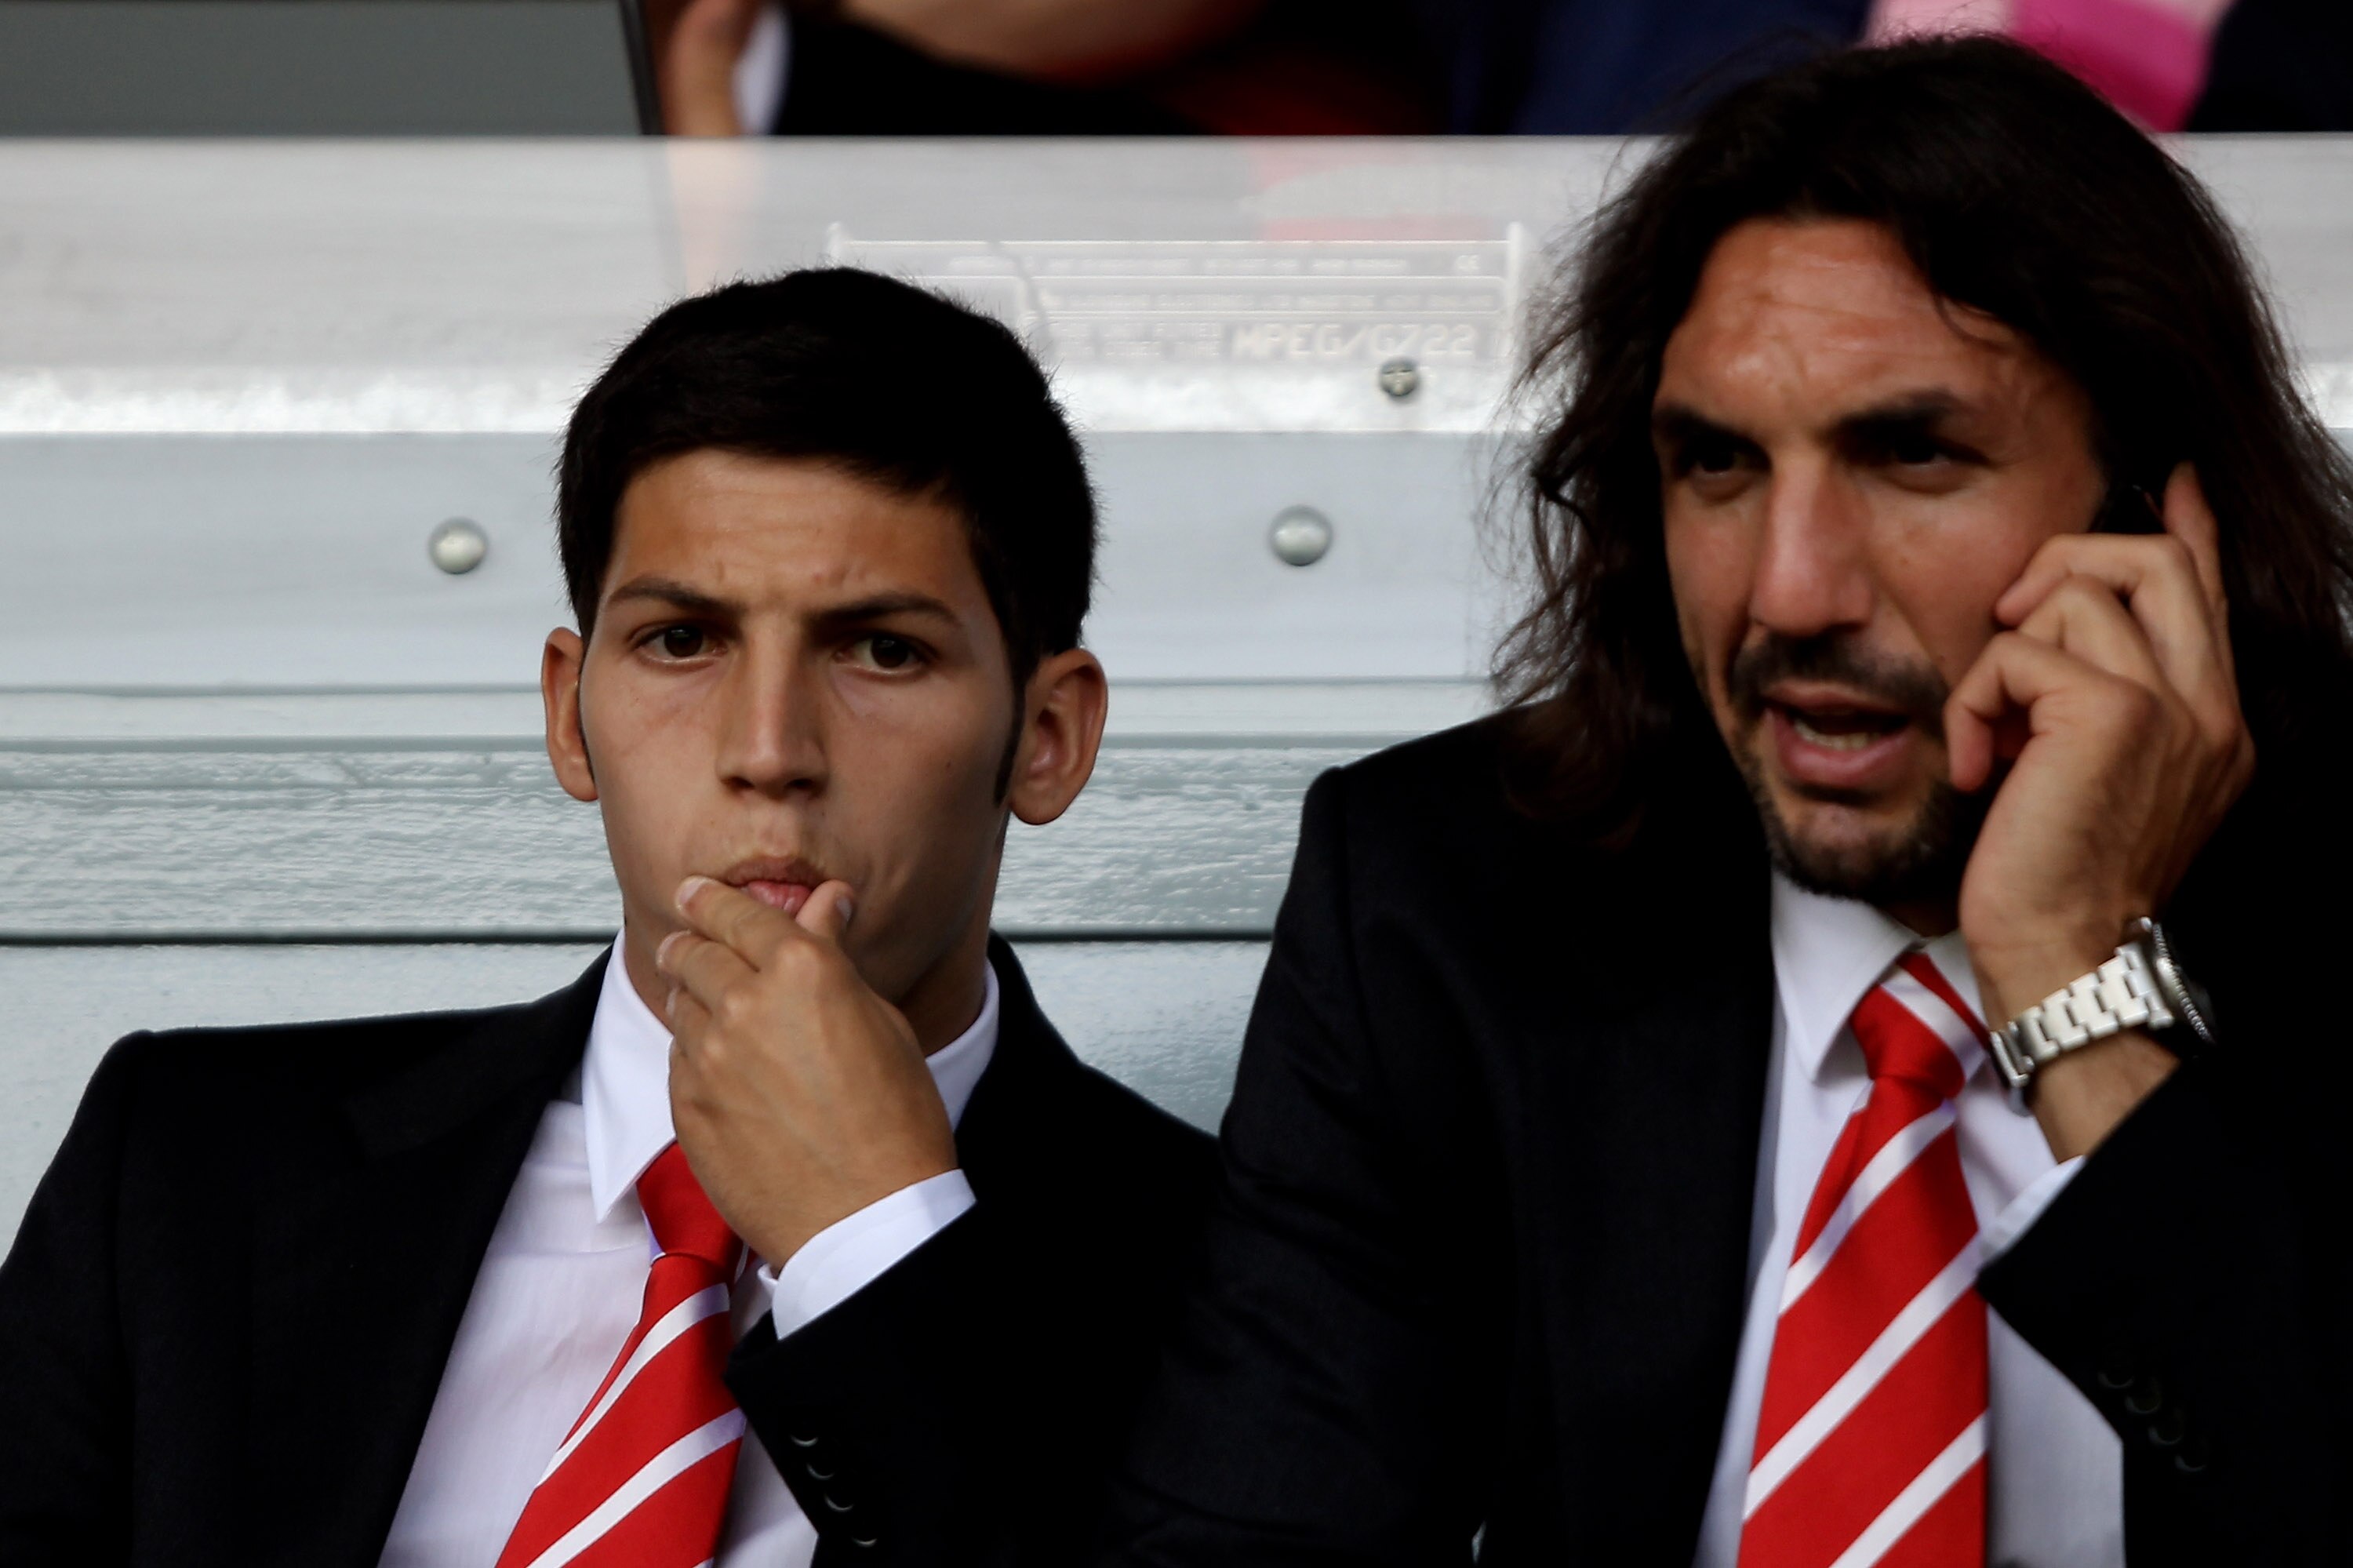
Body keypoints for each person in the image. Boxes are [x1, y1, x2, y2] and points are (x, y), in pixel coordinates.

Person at [1092, 38, 2353, 1567]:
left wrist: (2075, 976)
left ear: (2155, 508)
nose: (1789, 589)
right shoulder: (1446, 899)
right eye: (1717, 464)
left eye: (1914, 455)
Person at [0, 270, 1215, 1566]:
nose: (769, 750)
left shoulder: (1248, 1271)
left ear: (1046, 737)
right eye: (684, 641)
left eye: (880, 650)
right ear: (568, 713)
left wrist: (872, 1241)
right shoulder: (191, 1172)